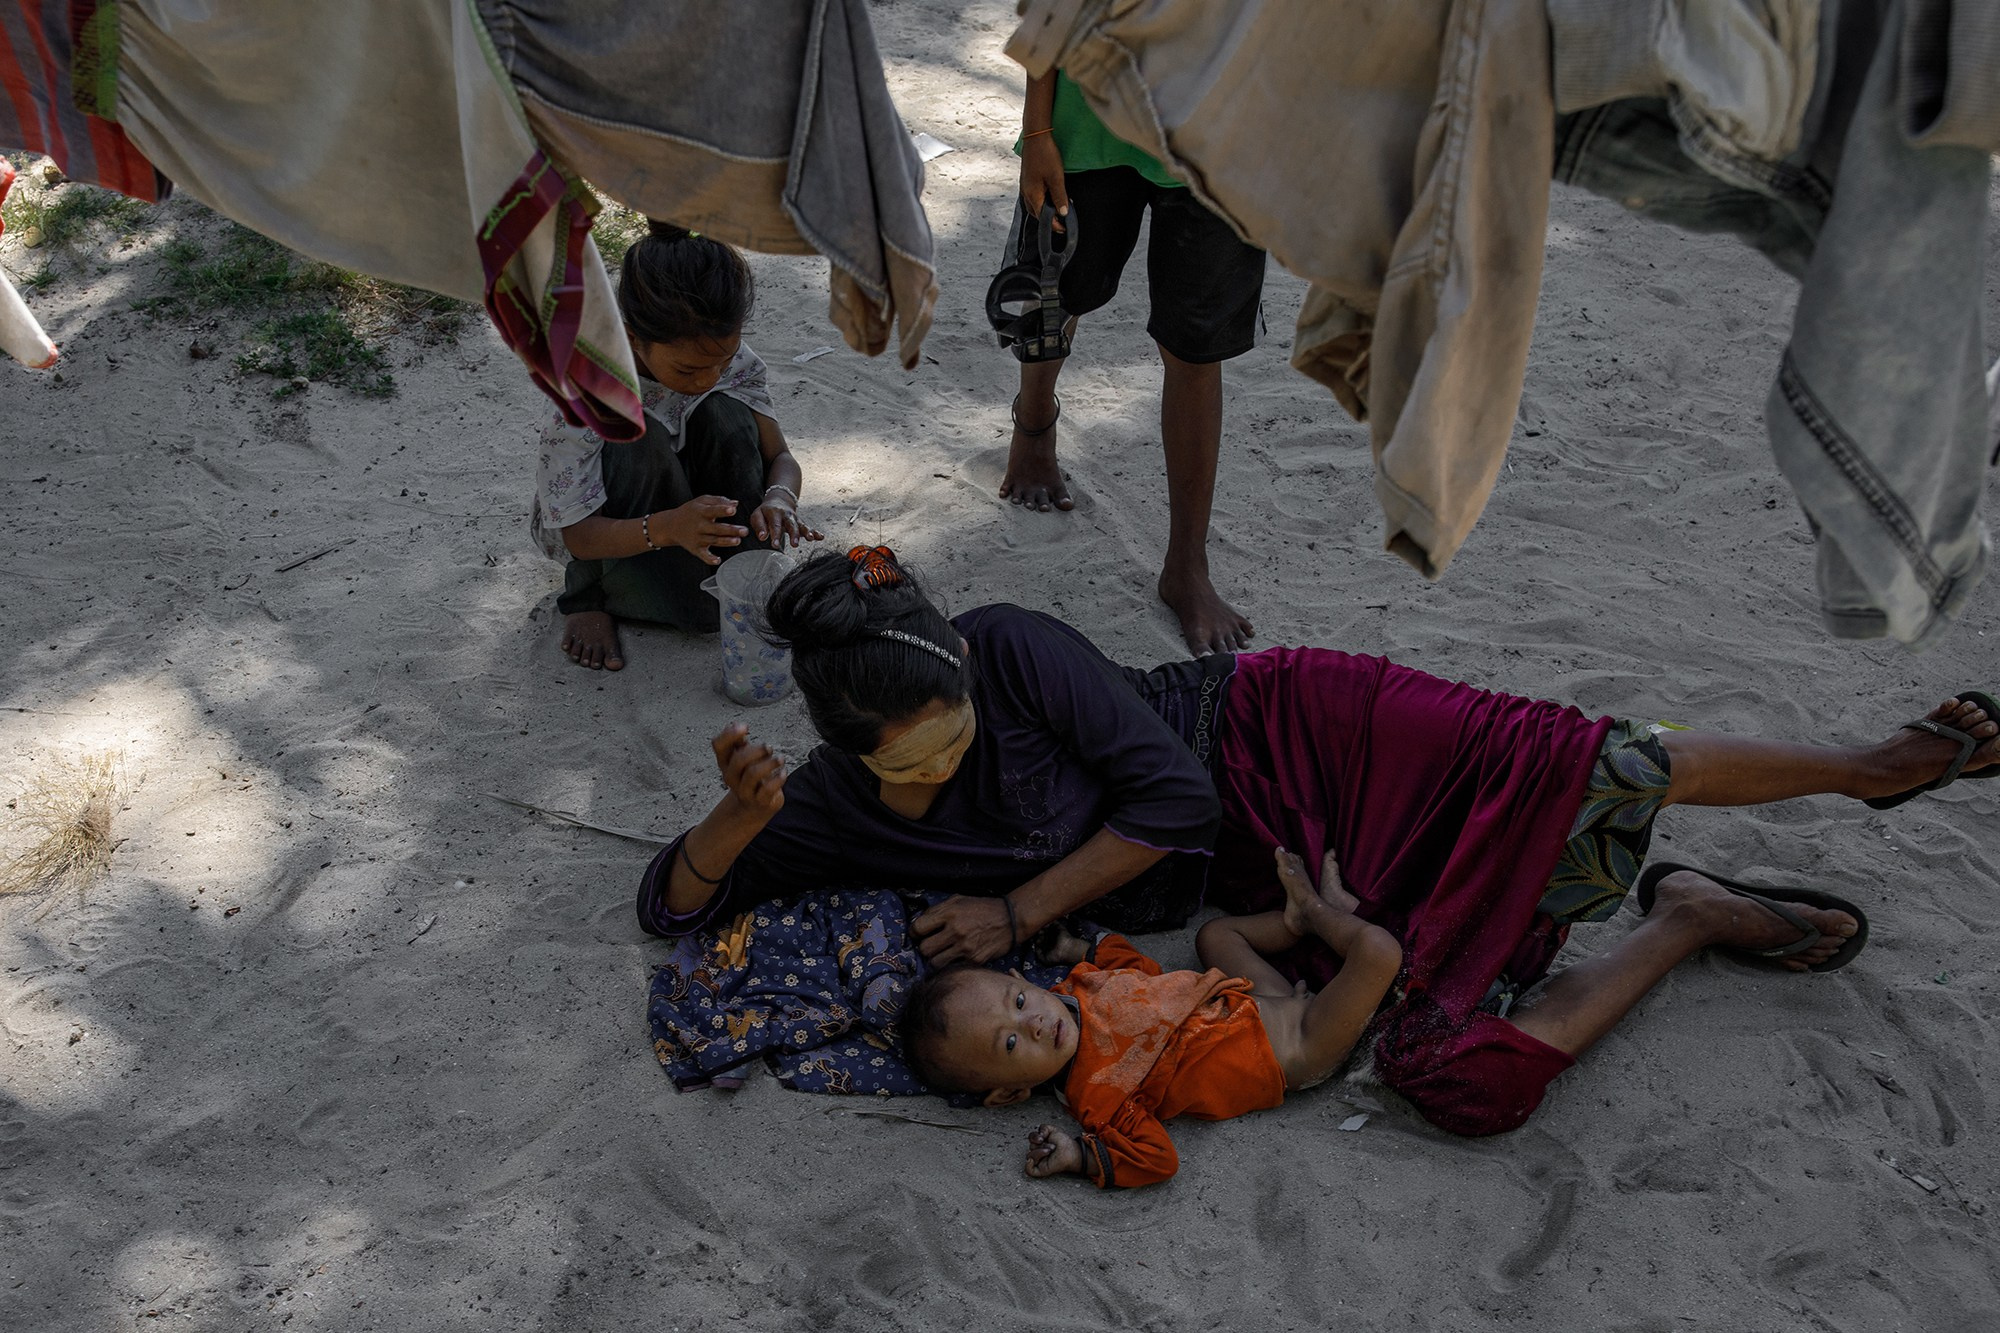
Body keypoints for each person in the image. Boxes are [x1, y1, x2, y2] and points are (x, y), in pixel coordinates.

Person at [636, 546, 1999, 1135]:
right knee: (1451, 1070)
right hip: (1278, 880)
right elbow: (671, 905)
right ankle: (1686, 913)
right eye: (918, 756)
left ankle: (1871, 768)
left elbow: (1172, 800)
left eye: (959, 726)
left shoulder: (1007, 649)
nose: (951, 753)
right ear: (850, 746)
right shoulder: (823, 798)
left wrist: (1014, 910)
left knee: (1566, 761)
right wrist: (734, 825)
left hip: (1282, 728)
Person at [900, 846, 1401, 1188]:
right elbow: (1158, 1158)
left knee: (1216, 938)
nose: (1030, 1023)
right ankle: (1317, 914)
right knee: (1379, 953)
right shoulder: (1098, 1097)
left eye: (1017, 1002)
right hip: (1298, 1047)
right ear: (1009, 1093)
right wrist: (1079, 1155)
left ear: (1026, 983)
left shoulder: (1078, 984)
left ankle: (1304, 923)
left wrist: (1078, 947)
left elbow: (1139, 972)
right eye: (1010, 1045)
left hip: (1248, 998)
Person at [1000, 69, 1268, 656]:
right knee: (1059, 291)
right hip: (1087, 112)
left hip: (1227, 130)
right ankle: (1034, 421)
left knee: (1196, 345)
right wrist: (1038, 127)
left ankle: (1186, 564)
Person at [529, 222, 822, 671]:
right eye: (688, 370)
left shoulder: (727, 363)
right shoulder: (587, 393)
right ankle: (589, 596)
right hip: (618, 526)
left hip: (690, 504)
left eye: (722, 361)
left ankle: (735, 570)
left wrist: (780, 497)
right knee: (635, 433)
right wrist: (666, 528)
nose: (707, 377)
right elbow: (577, 532)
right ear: (631, 339)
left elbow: (779, 458)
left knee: (725, 413)